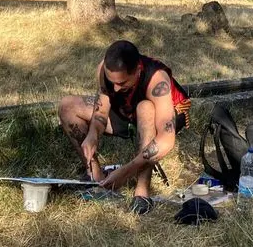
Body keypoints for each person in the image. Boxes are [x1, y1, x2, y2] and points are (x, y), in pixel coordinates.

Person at [58, 40, 191, 214]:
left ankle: (142, 193)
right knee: (68, 105)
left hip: (164, 117)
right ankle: (96, 178)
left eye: (121, 83)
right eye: (111, 81)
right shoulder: (105, 71)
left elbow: (166, 140)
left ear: (137, 71)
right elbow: (101, 112)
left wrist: (126, 171)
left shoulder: (157, 80)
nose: (115, 87)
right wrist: (92, 134)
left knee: (145, 108)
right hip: (127, 111)